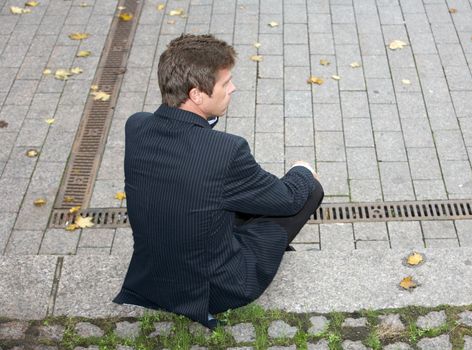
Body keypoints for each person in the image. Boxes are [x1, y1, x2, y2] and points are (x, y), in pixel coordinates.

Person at [113, 34, 324, 329]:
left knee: (228, 196)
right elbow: (286, 198)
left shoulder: (136, 125)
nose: (233, 88)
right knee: (308, 191)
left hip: (152, 276)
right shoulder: (227, 151)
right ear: (197, 94)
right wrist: (301, 169)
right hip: (214, 287)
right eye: (225, 83)